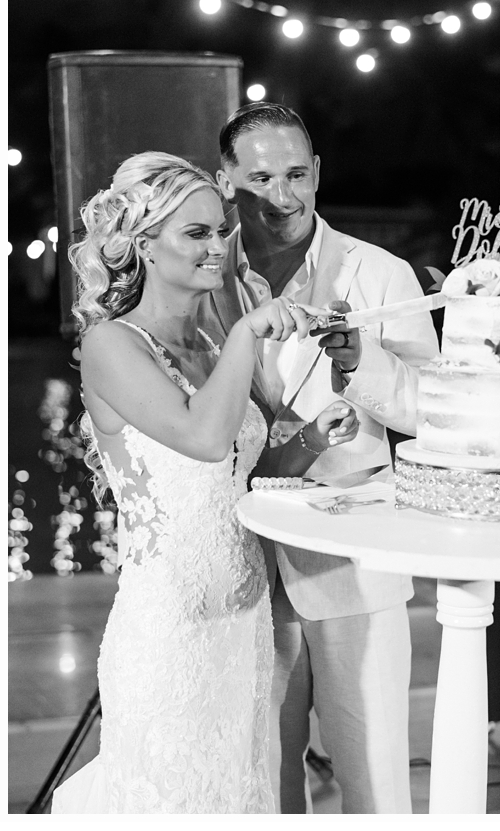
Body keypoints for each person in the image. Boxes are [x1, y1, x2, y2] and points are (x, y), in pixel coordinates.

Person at [51, 151, 359, 814]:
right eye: (197, 232)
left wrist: (311, 438)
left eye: (220, 230)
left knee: (236, 797)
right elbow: (202, 438)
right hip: (170, 635)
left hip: (241, 630)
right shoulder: (112, 346)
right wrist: (251, 328)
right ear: (142, 245)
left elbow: (241, 481)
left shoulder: (215, 348)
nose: (219, 245)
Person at [201, 104, 439, 813]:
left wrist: (363, 365)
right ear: (226, 179)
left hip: (352, 557)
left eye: (297, 174)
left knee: (371, 768)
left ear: (317, 174)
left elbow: (432, 409)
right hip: (242, 556)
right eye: (262, 176)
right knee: (265, 778)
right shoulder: (205, 279)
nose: (283, 195)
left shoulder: (381, 272)